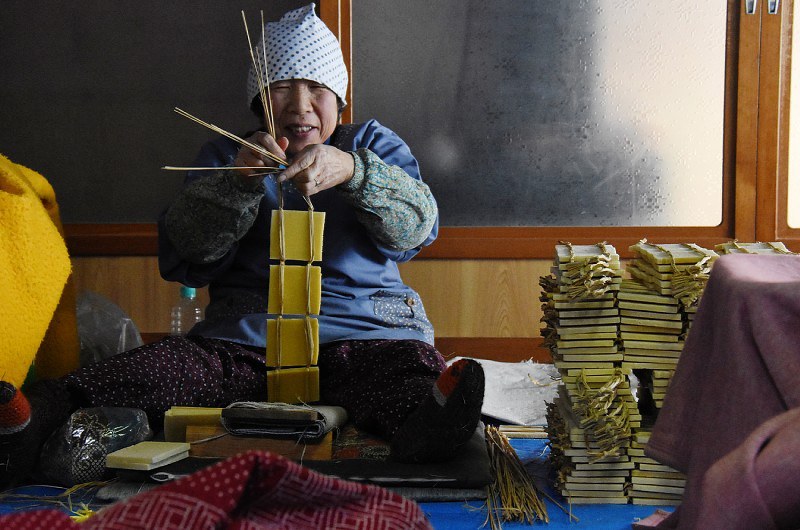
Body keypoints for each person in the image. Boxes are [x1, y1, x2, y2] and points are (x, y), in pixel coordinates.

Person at [0, 4, 484, 488]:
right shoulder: (224, 156)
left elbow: (417, 229)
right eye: (280, 89)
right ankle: (32, 419)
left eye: (317, 89)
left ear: (339, 99)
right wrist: (237, 183)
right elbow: (187, 256)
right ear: (258, 100)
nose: (299, 107)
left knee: (406, 375)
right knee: (150, 370)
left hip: (363, 336)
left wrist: (355, 172)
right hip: (243, 345)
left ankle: (431, 428)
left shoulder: (373, 145)